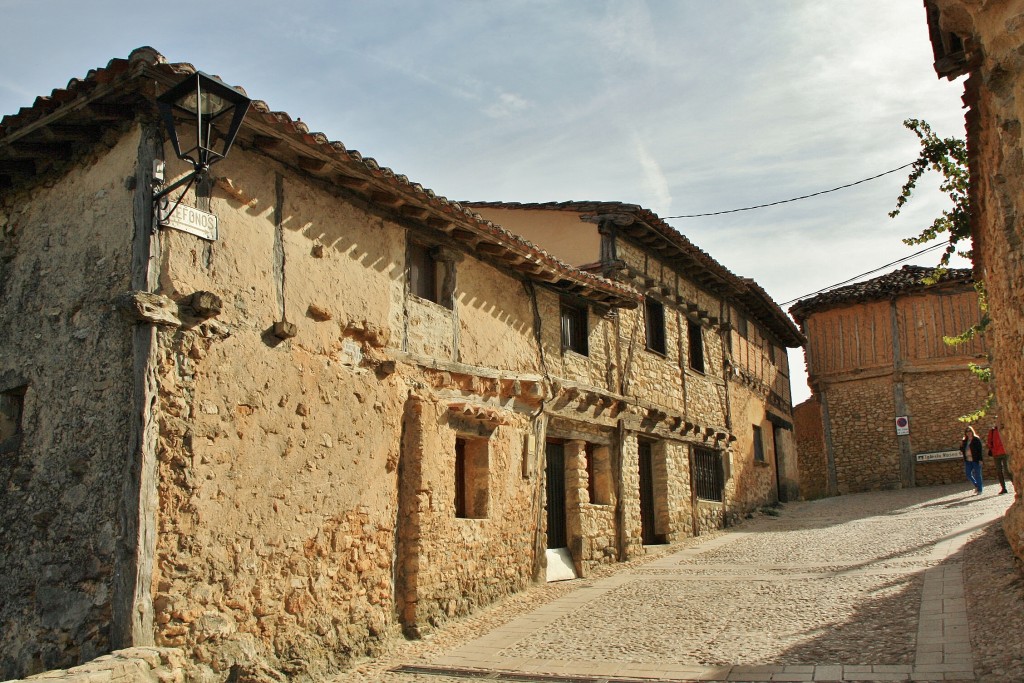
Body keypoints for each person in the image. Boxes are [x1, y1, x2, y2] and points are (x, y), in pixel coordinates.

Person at [986, 423, 1011, 495]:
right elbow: (989, 441)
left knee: (1007, 470)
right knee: (999, 471)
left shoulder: (1004, 429)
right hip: (996, 454)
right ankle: (1003, 488)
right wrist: (992, 448)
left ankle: (1015, 484)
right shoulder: (992, 431)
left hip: (1004, 452)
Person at [960, 426, 985, 494]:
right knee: (968, 474)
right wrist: (961, 445)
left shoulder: (976, 439)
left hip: (975, 460)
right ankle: (976, 485)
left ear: (972, 432)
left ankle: (980, 490)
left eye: (970, 431)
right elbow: (962, 450)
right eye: (967, 432)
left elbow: (979, 450)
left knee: (977, 475)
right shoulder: (965, 441)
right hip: (968, 460)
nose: (969, 433)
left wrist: (980, 459)